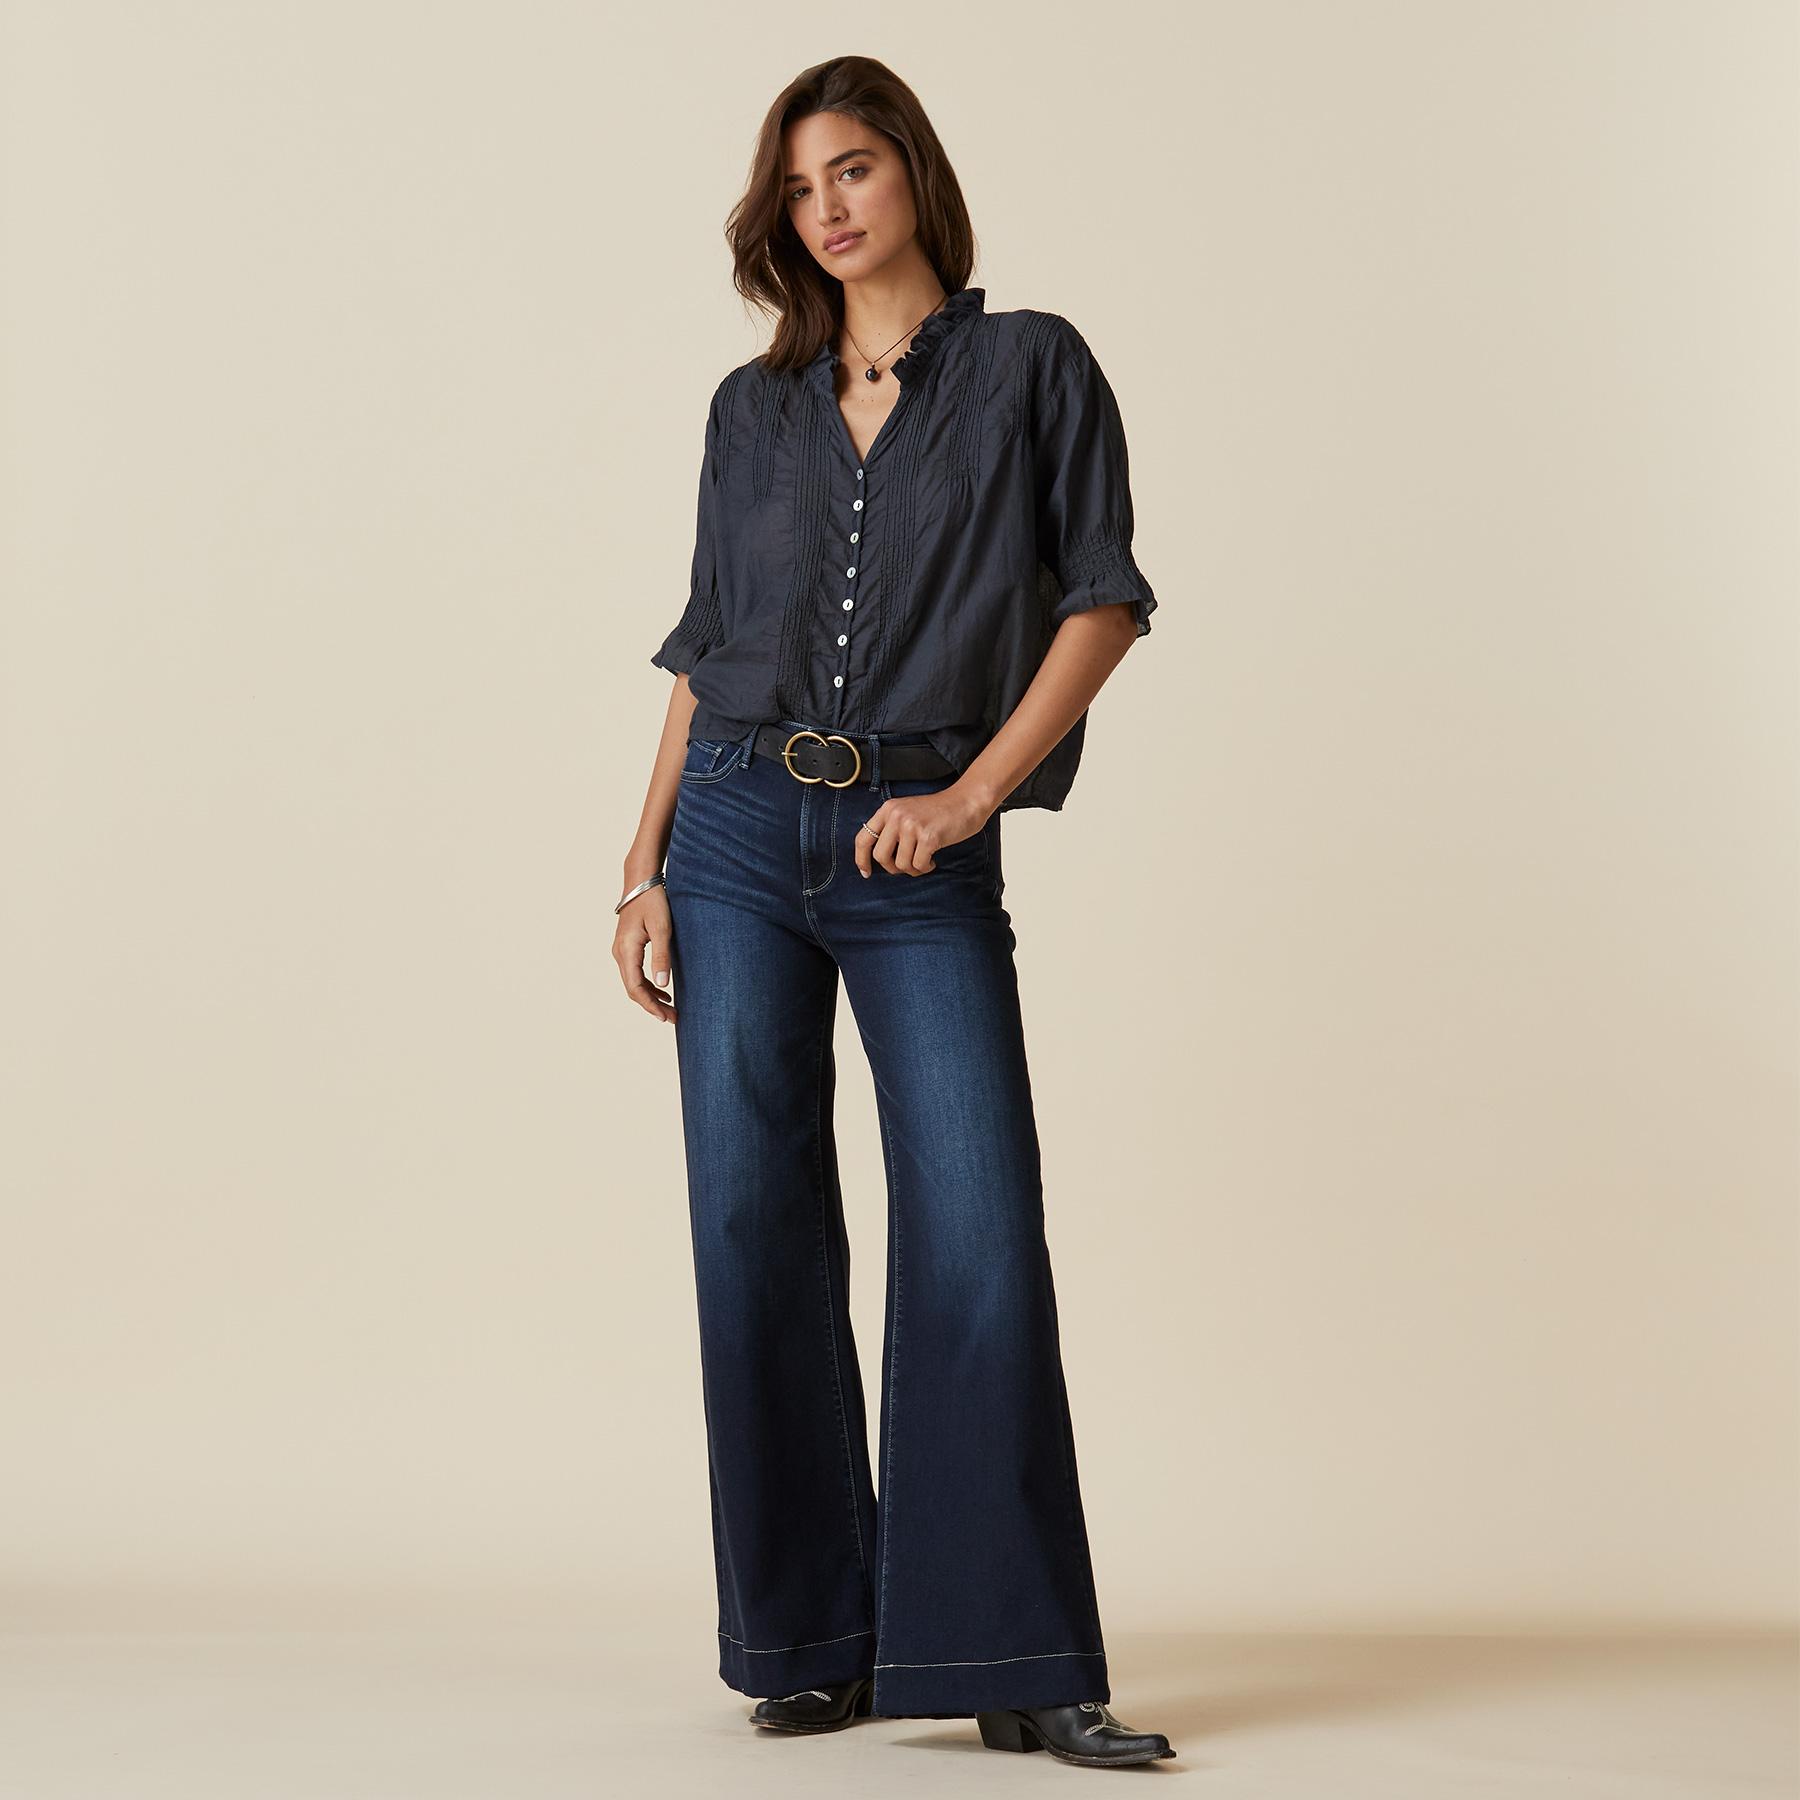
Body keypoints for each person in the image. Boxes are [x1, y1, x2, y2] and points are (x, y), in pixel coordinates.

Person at [613, 55, 1176, 1771]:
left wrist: (972, 795)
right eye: (799, 188)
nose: (829, 207)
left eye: (852, 169)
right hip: (732, 835)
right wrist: (641, 864)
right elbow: (705, 652)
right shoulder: (752, 407)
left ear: (913, 171)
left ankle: (1015, 1658)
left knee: (976, 1222)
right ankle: (809, 1638)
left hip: (915, 845)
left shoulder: (1033, 367)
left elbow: (1103, 602)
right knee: (750, 1226)